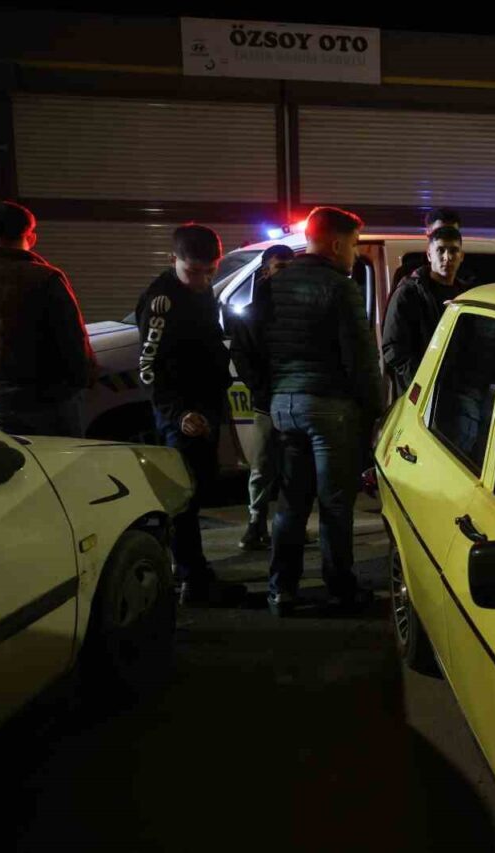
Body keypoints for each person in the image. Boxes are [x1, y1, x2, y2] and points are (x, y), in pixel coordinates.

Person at [251, 206, 382, 617]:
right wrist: (376, 411)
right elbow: (361, 358)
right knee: (334, 504)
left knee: (291, 503)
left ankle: (281, 590)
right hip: (328, 407)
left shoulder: (274, 283)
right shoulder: (340, 287)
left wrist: (270, 394)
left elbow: (254, 343)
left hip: (284, 405)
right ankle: (340, 588)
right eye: (355, 245)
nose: (356, 255)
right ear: (337, 244)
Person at [136, 223, 244, 606]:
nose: (202, 280)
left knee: (196, 493)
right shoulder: (162, 301)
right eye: (194, 271)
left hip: (204, 409)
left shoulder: (199, 291)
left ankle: (193, 574)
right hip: (183, 416)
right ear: (173, 260)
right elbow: (149, 367)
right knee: (183, 500)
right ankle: (191, 580)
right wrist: (178, 413)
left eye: (210, 271)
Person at [0, 201, 95, 436]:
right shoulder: (46, 277)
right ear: (31, 237)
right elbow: (73, 339)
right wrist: (82, 381)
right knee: (61, 455)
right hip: (46, 399)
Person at [229, 244, 294, 550]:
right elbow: (241, 356)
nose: (286, 273)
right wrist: (261, 389)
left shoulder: (300, 309)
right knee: (263, 465)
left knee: (294, 468)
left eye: (290, 267)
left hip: (294, 401)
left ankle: (289, 525)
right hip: (268, 403)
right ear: (266, 270)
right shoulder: (252, 313)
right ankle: (256, 523)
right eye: (281, 267)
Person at [381, 224, 468, 396]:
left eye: (453, 251)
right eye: (440, 250)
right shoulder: (409, 292)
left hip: (457, 391)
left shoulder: (466, 295)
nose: (447, 257)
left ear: (461, 256)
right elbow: (393, 348)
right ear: (429, 255)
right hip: (422, 392)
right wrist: (422, 382)